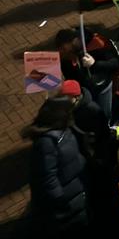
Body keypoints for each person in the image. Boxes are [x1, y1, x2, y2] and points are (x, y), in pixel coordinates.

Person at [24, 95, 88, 230]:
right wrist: (60, 200)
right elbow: (48, 177)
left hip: (75, 191)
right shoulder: (46, 142)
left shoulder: (63, 129)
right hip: (66, 201)